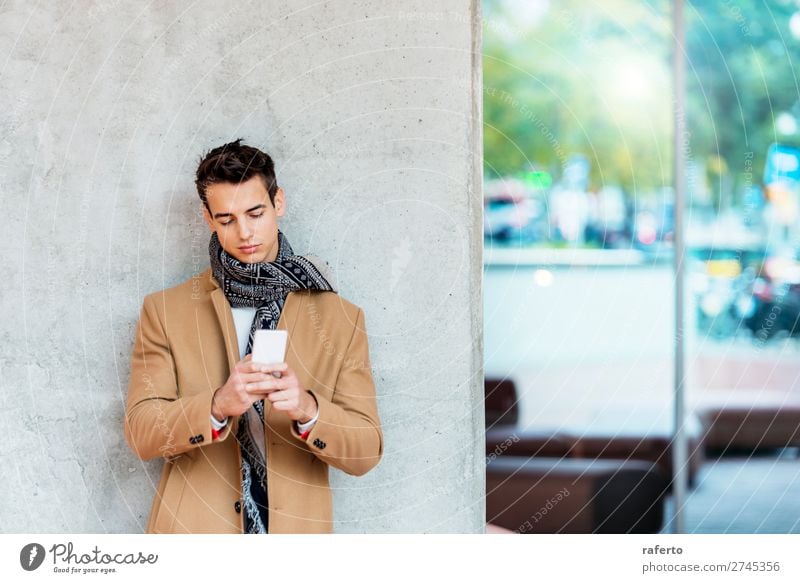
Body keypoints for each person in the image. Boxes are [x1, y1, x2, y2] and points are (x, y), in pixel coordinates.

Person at [124, 139, 383, 533]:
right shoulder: (165, 311)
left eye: (256, 213)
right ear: (208, 218)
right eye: (226, 219)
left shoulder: (340, 319)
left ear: (278, 203)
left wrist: (308, 409)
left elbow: (366, 450)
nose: (244, 232)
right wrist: (216, 406)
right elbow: (142, 433)